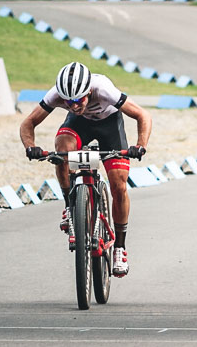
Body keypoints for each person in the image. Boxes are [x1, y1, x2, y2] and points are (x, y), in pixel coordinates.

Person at [19, 62, 153, 277]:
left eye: (78, 100)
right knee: (62, 151)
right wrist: (30, 147)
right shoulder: (57, 95)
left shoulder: (103, 89)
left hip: (109, 125)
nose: (73, 105)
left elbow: (142, 115)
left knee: (118, 185)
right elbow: (28, 123)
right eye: (68, 102)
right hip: (79, 125)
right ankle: (71, 207)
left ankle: (119, 247)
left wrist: (140, 145)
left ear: (89, 92)